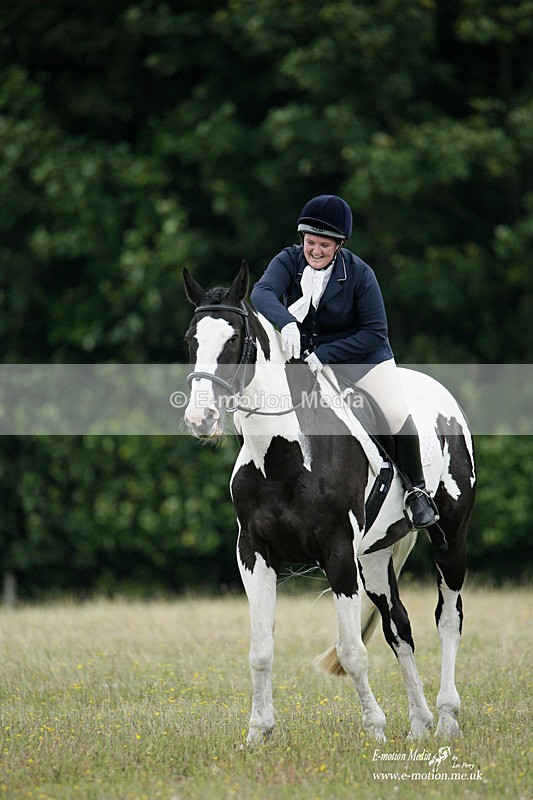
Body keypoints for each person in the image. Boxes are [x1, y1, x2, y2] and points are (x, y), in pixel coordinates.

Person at [250, 194, 439, 529]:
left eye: (324, 244)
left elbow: (374, 332)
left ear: (338, 245)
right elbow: (261, 293)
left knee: (394, 412)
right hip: (303, 357)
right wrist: (287, 322)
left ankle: (416, 491)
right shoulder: (288, 261)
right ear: (302, 240)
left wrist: (324, 355)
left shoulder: (360, 274)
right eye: (311, 243)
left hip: (361, 358)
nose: (316, 251)